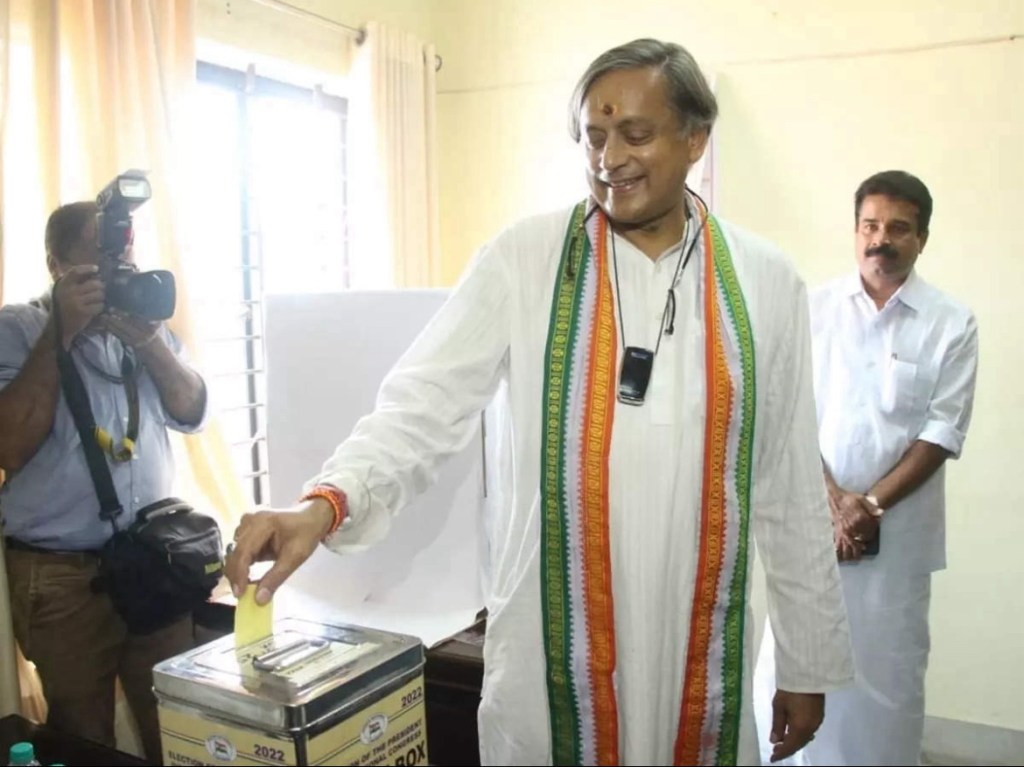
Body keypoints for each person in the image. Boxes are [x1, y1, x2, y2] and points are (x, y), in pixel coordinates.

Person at [226, 39, 854, 766]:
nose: (609, 158)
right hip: (552, 652)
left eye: (635, 134)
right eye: (594, 135)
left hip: (700, 649)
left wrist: (806, 662)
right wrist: (323, 504)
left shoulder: (766, 282)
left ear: (695, 138)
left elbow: (787, 484)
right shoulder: (523, 259)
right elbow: (421, 406)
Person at [753, 170, 980, 765]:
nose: (881, 239)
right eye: (870, 226)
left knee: (886, 686)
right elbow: (785, 411)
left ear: (921, 238)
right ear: (855, 231)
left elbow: (943, 429)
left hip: (897, 544)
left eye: (898, 228)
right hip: (811, 529)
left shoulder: (951, 323)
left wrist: (871, 505)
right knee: (790, 669)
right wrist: (834, 501)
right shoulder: (812, 309)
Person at [0, 201, 208, 763]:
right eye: (99, 259)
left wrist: (149, 342)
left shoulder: (142, 326)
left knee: (177, 727)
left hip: (153, 560)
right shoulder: (17, 329)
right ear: (56, 265)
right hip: (63, 577)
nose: (116, 274)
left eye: (124, 259)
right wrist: (60, 333)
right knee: (83, 737)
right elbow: (9, 445)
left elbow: (192, 409)